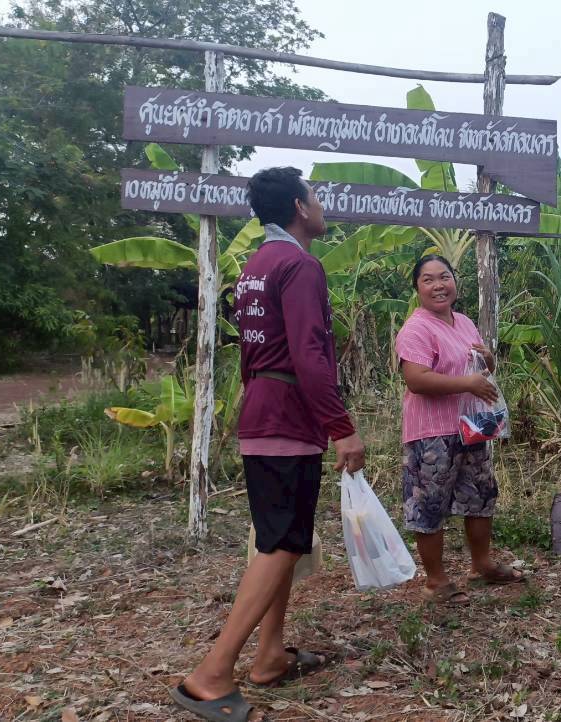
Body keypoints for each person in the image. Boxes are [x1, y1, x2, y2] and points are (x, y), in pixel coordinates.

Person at [173, 167, 366, 722]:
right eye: (317, 197)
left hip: (263, 412)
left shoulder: (257, 264)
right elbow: (308, 355)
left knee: (284, 538)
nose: (322, 204)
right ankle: (211, 674)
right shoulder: (300, 265)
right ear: (300, 209)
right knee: (281, 542)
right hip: (287, 417)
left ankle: (270, 655)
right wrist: (342, 426)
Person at [395, 254, 524, 606]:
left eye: (445, 276)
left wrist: (488, 361)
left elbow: (477, 368)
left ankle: (481, 564)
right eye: (428, 279)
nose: (439, 285)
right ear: (417, 288)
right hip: (432, 433)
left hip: (472, 428)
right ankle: (436, 582)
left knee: (480, 496)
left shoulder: (464, 322)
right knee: (430, 504)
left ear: (455, 281)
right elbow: (416, 379)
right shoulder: (417, 328)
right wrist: (466, 383)